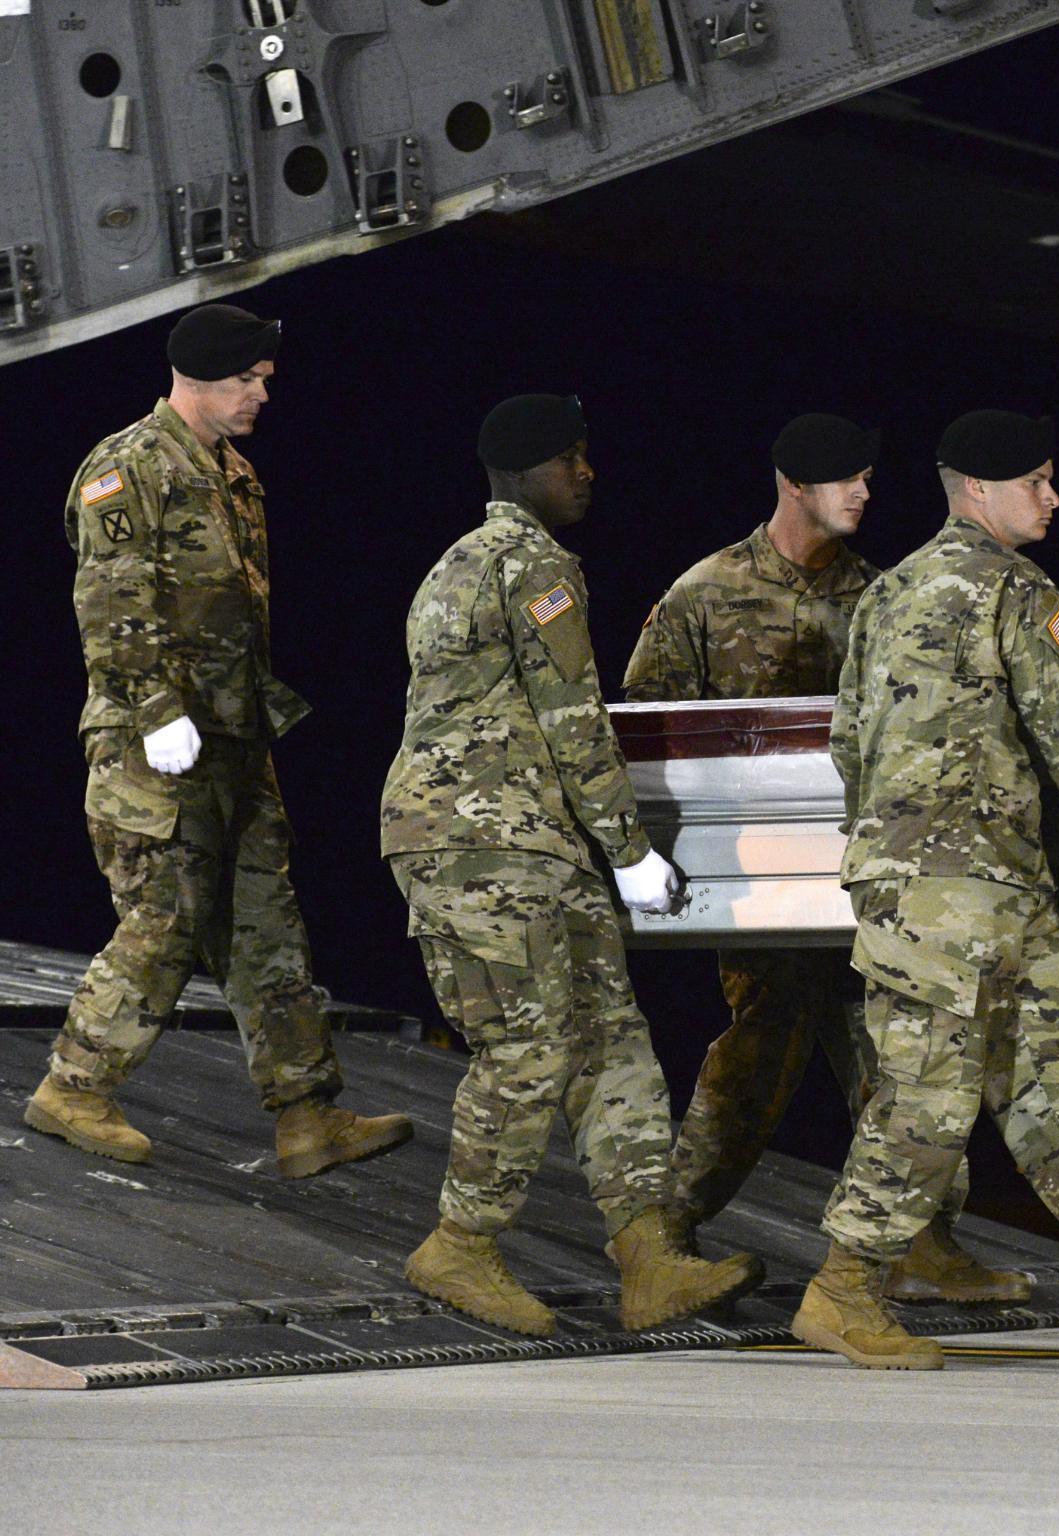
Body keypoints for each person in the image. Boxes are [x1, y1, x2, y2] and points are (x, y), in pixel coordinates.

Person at [792, 409, 1059, 1371]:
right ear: (979, 491)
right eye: (1037, 481)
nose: (1054, 498)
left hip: (959, 883)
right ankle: (844, 1288)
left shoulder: (890, 593)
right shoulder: (1015, 590)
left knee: (1057, 1082)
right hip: (962, 887)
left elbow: (848, 741)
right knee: (931, 1095)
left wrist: (888, 849)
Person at [622, 412, 1024, 1304]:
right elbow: (646, 730)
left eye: (870, 477)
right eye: (845, 479)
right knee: (763, 1048)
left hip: (868, 864)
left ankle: (923, 1241)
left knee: (900, 1054)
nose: (864, 493)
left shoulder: (881, 596)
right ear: (794, 485)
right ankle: (668, 1229)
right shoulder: (705, 594)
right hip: (760, 877)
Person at [381, 393, 759, 1338]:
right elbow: (570, 716)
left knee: (610, 1037)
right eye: (572, 459)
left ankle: (646, 1257)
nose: (588, 474)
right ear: (526, 471)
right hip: (486, 841)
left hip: (523, 838)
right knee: (529, 1045)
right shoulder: (534, 564)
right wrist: (632, 853)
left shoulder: (453, 564)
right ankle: (459, 1244)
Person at [24, 304, 412, 1179]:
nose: (262, 393)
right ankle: (75, 1087)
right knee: (166, 916)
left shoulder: (232, 473)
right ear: (201, 379)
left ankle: (306, 1115)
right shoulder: (127, 467)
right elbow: (111, 602)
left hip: (233, 736)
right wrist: (157, 712)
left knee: (266, 922)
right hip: (151, 740)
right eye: (250, 380)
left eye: (264, 379)